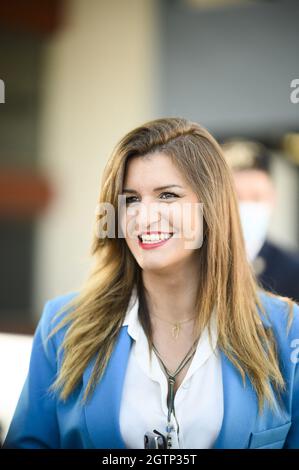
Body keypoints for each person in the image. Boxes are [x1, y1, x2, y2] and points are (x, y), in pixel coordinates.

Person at [3, 118, 299, 449]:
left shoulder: (287, 330)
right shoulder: (62, 326)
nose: (144, 217)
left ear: (212, 206)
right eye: (130, 200)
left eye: (167, 195)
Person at [222, 139, 299, 304]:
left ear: (272, 198)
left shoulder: (293, 270)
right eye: (236, 197)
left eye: (256, 197)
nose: (246, 207)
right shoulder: (194, 266)